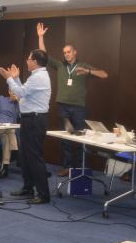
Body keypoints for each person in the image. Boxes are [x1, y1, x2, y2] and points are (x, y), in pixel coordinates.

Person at [37, 22, 108, 177]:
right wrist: (41, 37)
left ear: (75, 52)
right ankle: (68, 167)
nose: (66, 54)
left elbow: (104, 74)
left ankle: (81, 168)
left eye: (69, 52)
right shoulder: (60, 66)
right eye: (64, 52)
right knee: (66, 139)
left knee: (81, 137)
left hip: (78, 107)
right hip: (63, 106)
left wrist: (88, 71)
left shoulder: (82, 65)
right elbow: (43, 55)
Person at [0, 49, 51, 204]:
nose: (27, 61)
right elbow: (25, 92)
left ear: (34, 61)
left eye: (28, 59)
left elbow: (19, 93)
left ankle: (43, 194)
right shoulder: (37, 76)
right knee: (25, 156)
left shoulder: (39, 77)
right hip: (30, 120)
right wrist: (16, 78)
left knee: (34, 157)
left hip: (35, 120)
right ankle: (28, 188)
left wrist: (9, 79)